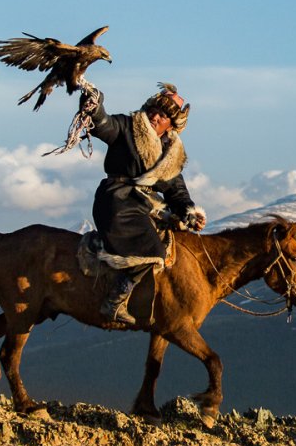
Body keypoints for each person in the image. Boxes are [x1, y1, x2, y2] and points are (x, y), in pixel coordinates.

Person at [85, 82, 207, 324]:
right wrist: (94, 106)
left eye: (163, 115)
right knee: (153, 252)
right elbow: (104, 126)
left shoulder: (170, 153)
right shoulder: (127, 126)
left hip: (145, 204)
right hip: (117, 201)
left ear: (172, 125)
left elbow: (176, 190)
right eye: (153, 109)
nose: (155, 116)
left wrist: (189, 211)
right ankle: (115, 302)